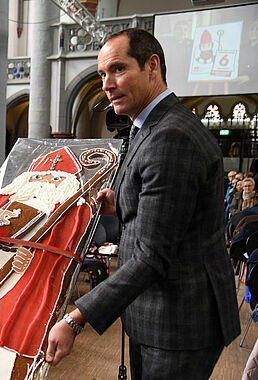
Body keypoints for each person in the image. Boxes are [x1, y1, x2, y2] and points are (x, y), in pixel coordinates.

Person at [46, 28, 240, 379]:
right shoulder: (146, 126)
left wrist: (77, 318)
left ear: (152, 66)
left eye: (118, 69)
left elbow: (153, 255)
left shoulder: (171, 136)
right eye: (103, 74)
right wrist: (117, 203)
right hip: (154, 310)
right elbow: (162, 201)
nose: (106, 83)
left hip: (178, 319)